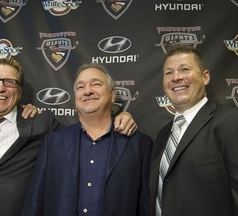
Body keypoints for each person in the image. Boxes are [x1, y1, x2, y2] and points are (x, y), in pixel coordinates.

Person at [0, 59, 137, 216]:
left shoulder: (42, 124)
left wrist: (122, 117)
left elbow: (88, 134)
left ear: (19, 91)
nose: (0, 87)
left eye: (9, 82)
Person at [20, 63, 153, 216]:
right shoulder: (53, 142)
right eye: (80, 87)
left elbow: (145, 205)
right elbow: (34, 201)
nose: (88, 91)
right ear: (75, 97)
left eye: (96, 84)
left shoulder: (139, 144)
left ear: (112, 94)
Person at [149, 45, 238, 216]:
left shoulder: (232, 122)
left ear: (205, 77)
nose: (176, 77)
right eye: (168, 73)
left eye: (184, 69)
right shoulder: (162, 136)